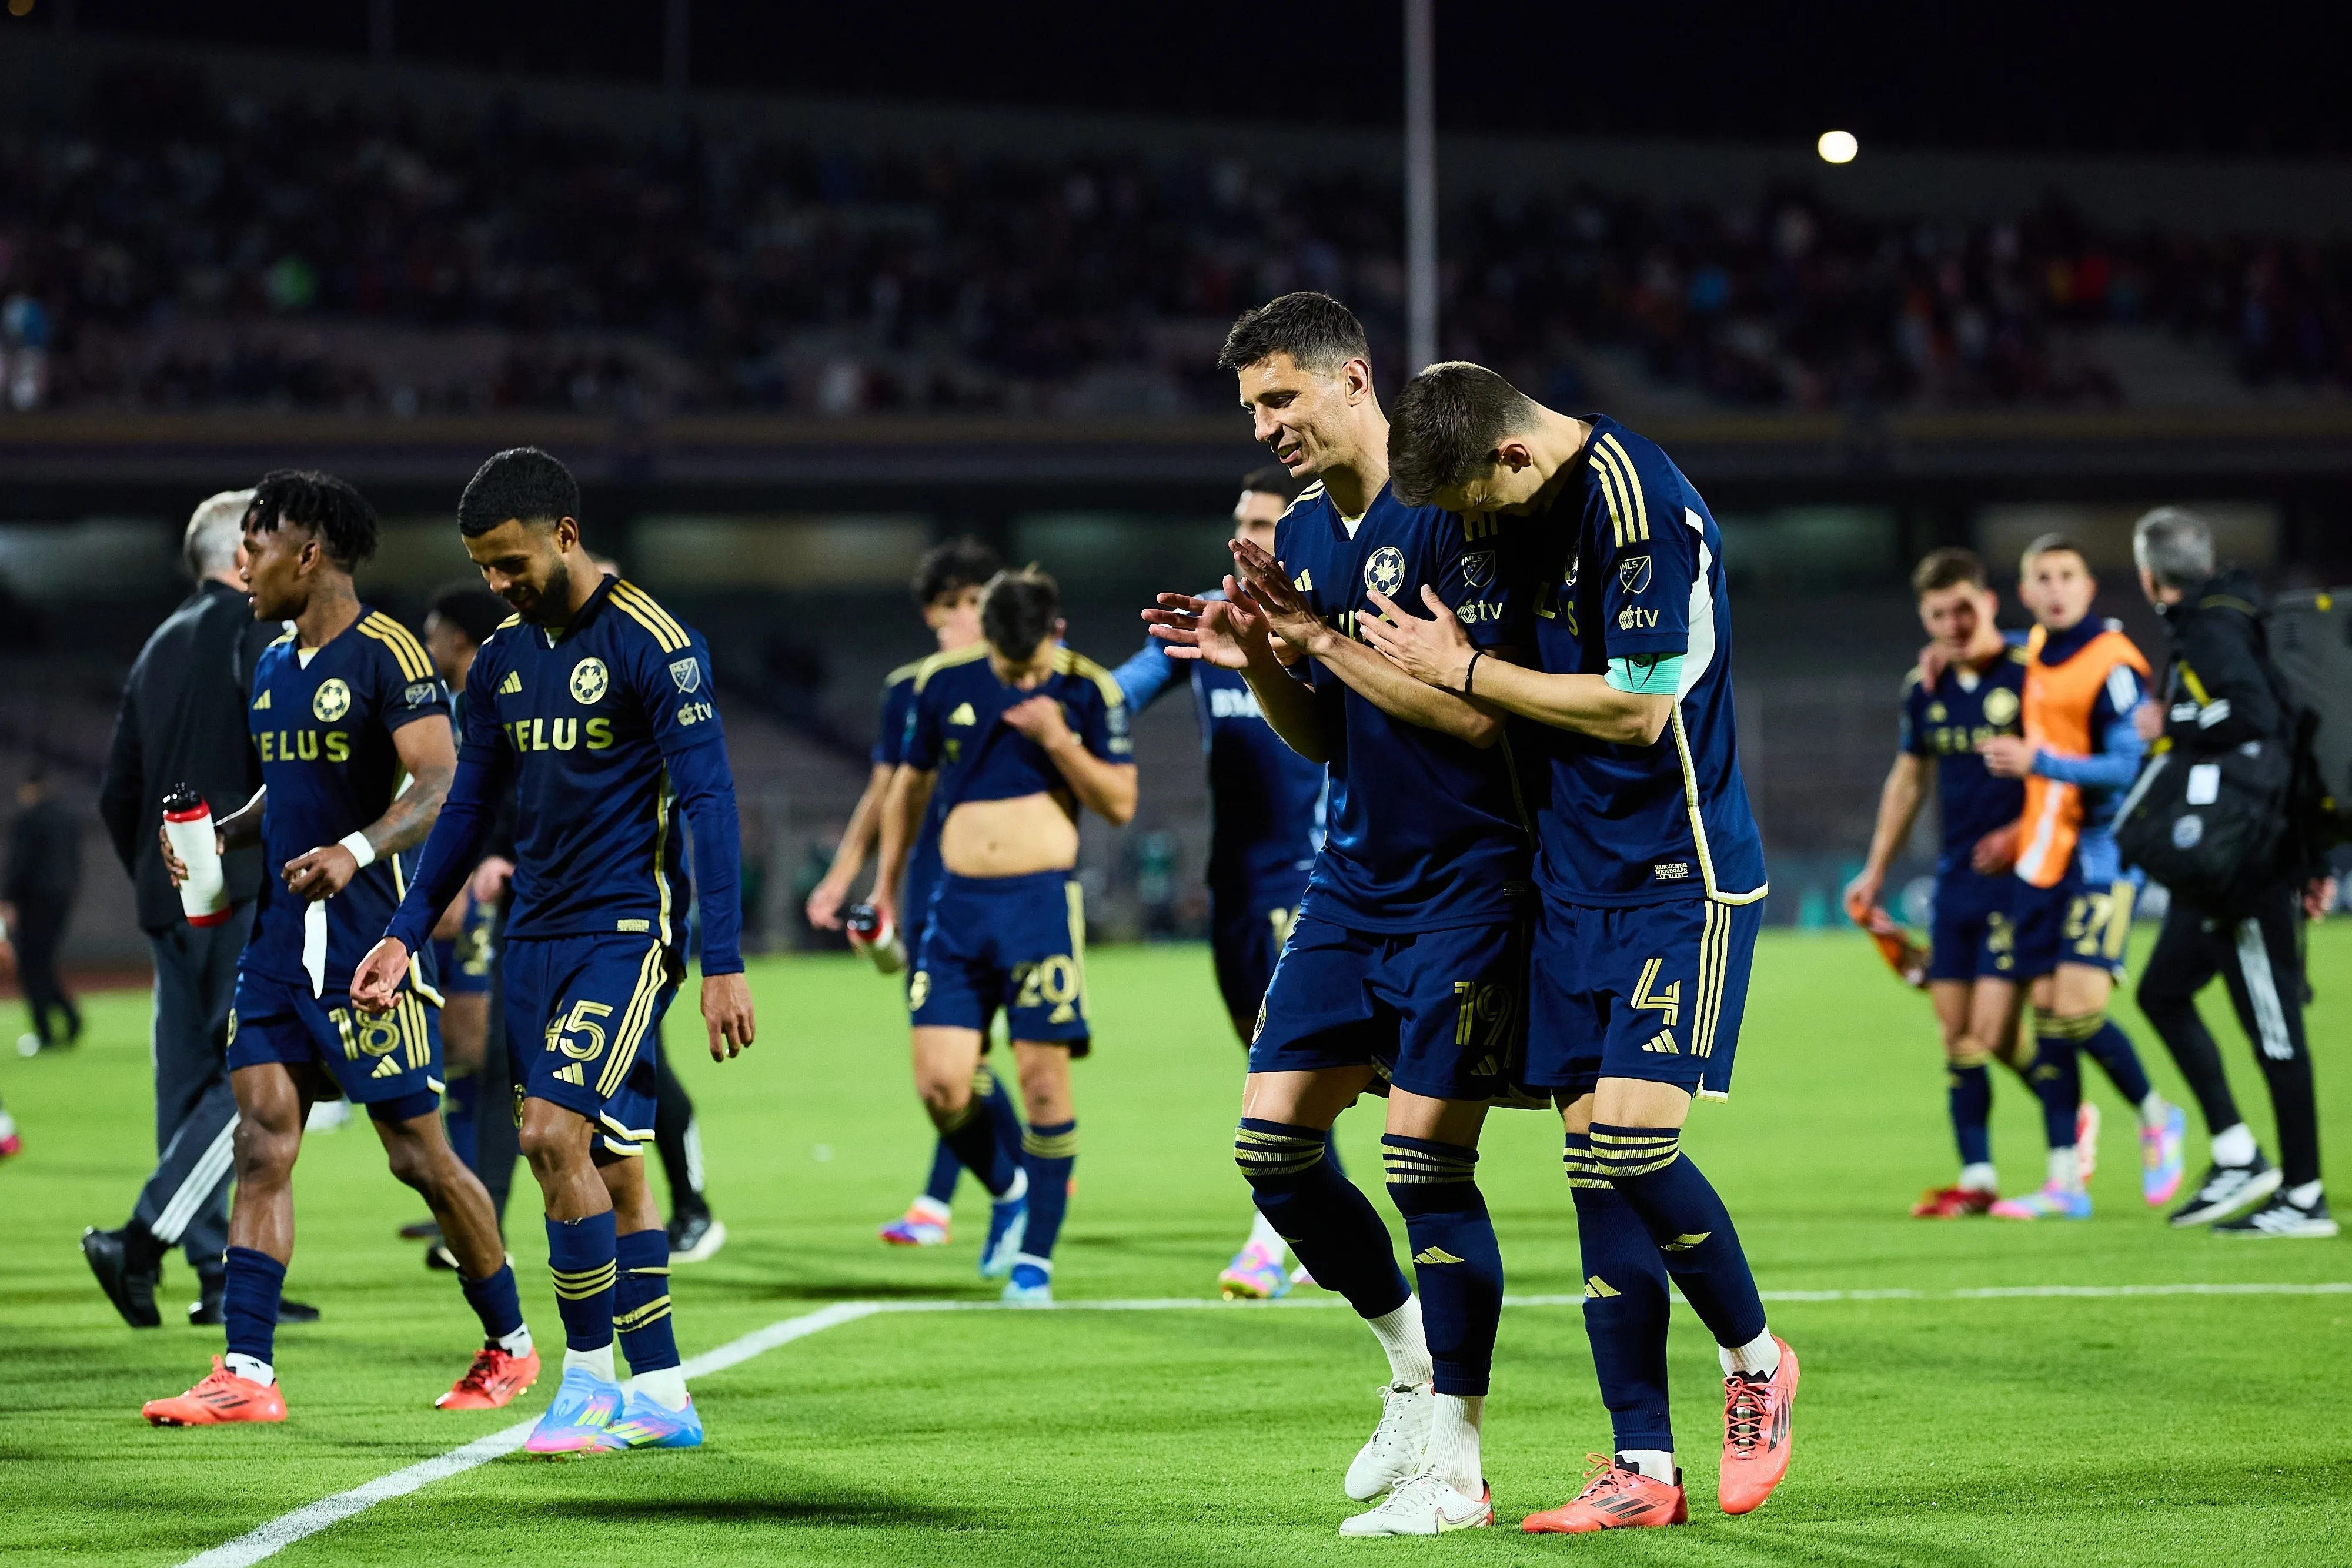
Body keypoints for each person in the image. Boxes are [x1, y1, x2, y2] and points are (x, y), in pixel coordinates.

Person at [1365, 361, 1796, 1533]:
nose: (1468, 531)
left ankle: (1754, 1358)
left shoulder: (1631, 503)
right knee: (1592, 1172)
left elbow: (1635, 706)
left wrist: (1461, 667)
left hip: (1675, 873)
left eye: (1472, 504)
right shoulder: (1501, 511)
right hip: (1569, 878)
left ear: (1510, 452)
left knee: (1633, 1144)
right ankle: (1640, 1467)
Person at [1146, 296, 1528, 1536]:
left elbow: (1483, 719)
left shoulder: (1457, 504)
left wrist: (1314, 635)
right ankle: (1412, 1372)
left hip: (1472, 876)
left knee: (1424, 1165)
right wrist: (1257, 652)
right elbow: (1322, 734)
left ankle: (1458, 1471)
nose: (1263, 429)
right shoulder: (1306, 530)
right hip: (1353, 880)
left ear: (1350, 378)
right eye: (1250, 408)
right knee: (1271, 1150)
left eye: (1277, 400)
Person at [354, 446, 756, 1456]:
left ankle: (584, 1386)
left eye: (509, 563)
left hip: (625, 931)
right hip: (533, 933)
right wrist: (404, 934)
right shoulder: (498, 661)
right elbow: (468, 807)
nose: (497, 583)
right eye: (482, 568)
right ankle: (663, 1393)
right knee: (610, 1164)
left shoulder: (655, 644)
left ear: (564, 536)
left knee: (548, 1140)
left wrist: (724, 961)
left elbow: (708, 800)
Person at [139, 471, 537, 1427]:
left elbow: (441, 783)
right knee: (261, 1138)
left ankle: (511, 1344)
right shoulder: (276, 661)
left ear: (308, 553)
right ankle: (246, 1369)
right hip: (280, 942)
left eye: (257, 548)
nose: (244, 565)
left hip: (367, 946)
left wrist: (356, 851)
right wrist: (227, 834)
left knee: (419, 1157)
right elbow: (293, 786)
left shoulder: (389, 652)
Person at [85, 489, 318, 1330]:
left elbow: (120, 790)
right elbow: (284, 763)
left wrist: (166, 883)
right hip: (244, 887)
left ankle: (218, 1273)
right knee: (251, 1078)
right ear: (240, 555)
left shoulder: (158, 645)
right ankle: (144, 1237)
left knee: (187, 1084)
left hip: (172, 900)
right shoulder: (257, 633)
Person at [875, 565, 1136, 1307]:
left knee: (1043, 1082)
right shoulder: (943, 683)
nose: (1023, 680)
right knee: (941, 1084)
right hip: (956, 907)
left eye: (1033, 666)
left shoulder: (1088, 690)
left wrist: (1058, 739)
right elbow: (909, 788)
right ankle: (1010, 1185)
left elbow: (1119, 802)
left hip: (1037, 908)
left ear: (1056, 632)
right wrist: (884, 886)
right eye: (1008, 667)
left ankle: (1035, 1262)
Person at [1112, 466, 1331, 1299]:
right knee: (1272, 1058)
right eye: (1238, 519)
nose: (1244, 538)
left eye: (1264, 524)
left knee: (1284, 1059)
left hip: (1308, 879)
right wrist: (1061, 702)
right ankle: (1316, 1227)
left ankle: (1272, 1234)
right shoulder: (1211, 617)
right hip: (1233, 886)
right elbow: (1125, 686)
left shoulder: (1324, 621)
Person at [804, 539, 1027, 1260]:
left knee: (977, 1056)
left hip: (1012, 888)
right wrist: (853, 881)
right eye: (950, 608)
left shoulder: (1025, 676)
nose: (962, 619)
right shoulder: (913, 687)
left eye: (973, 603)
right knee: (955, 1060)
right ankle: (1009, 1180)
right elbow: (887, 789)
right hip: (933, 888)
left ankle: (962, 1197)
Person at [2129, 507, 2336, 1236]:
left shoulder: (2213, 628)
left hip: (2247, 863)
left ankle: (2304, 1195)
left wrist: (2170, 726)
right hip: (2236, 859)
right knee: (2162, 990)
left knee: (2274, 1030)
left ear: (2149, 574)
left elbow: (2253, 718)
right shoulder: (2237, 614)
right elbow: (2292, 739)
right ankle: (2239, 1151)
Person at [1976, 537, 2185, 1221]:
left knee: (2077, 1011)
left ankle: (2158, 1116)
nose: (2057, 587)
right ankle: (2065, 1180)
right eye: (2043, 577)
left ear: (2088, 587)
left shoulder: (2115, 664)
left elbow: (2126, 766)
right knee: (2047, 1020)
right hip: (2041, 856)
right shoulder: (2034, 649)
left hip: (2100, 856)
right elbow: (1993, 644)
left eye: (2067, 575)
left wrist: (2040, 761)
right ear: (2028, 591)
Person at [1843, 550, 2035, 1217]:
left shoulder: (2030, 669)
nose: (1953, 624)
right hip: (1957, 876)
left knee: (1993, 1028)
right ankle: (1978, 1176)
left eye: (1963, 608)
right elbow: (1909, 779)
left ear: (1988, 602)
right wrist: (1874, 869)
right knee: (1957, 1034)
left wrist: (2025, 830)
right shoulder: (1923, 685)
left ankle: (2075, 1133)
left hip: (2023, 876)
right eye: (1937, 614)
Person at [401, 583, 514, 1269]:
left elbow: (504, 795)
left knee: (473, 1048)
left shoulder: (494, 698)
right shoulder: (443, 706)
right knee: (457, 1057)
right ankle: (458, 1207)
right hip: (444, 889)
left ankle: (474, 1215)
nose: (426, 638)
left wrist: (492, 863)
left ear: (460, 640)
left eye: (434, 628)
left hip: (483, 897)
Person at [5, 765, 82, 1054]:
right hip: (60, 902)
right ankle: (71, 1019)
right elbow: (75, 864)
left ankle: (45, 1033)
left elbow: (19, 865)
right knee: (42, 963)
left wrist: (8, 901)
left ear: (29, 788)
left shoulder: (28, 819)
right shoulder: (67, 819)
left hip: (33, 902)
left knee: (30, 967)